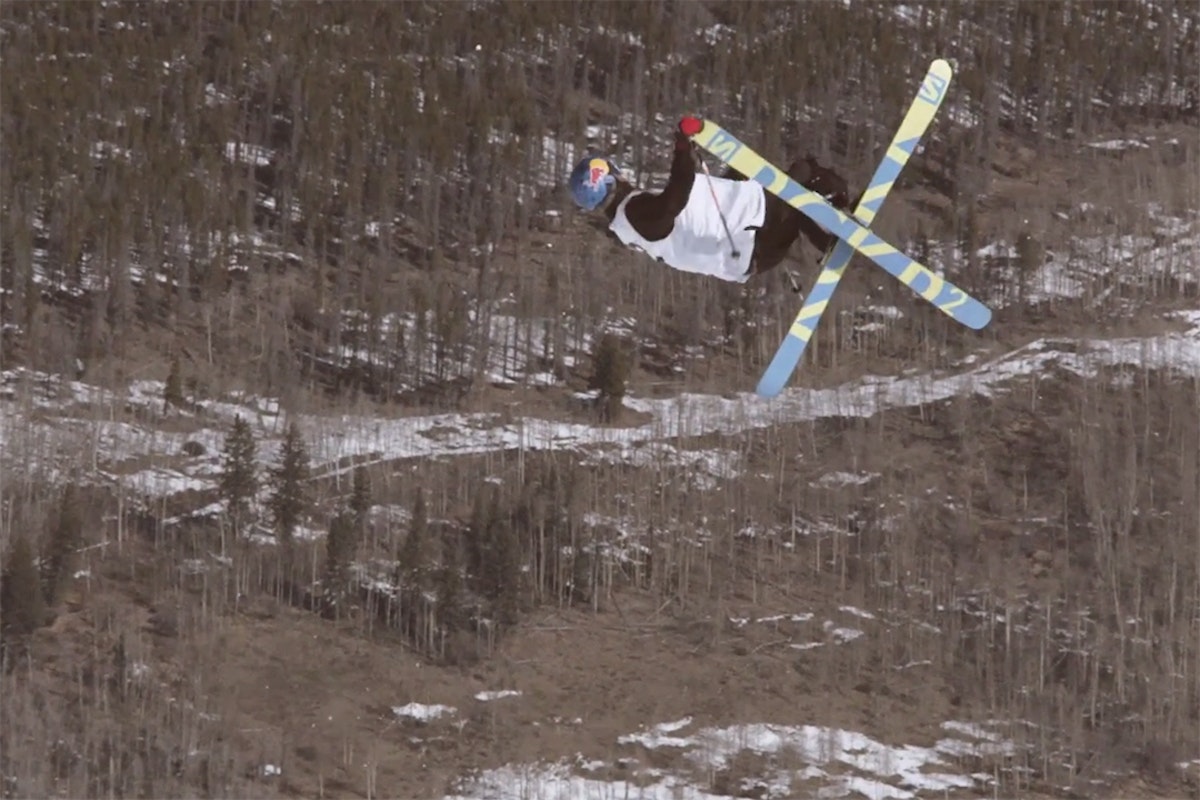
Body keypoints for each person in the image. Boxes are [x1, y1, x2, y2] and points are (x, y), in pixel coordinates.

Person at [568, 115, 856, 287]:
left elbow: (679, 212)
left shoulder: (627, 226)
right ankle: (838, 220)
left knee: (784, 194)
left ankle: (829, 235)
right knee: (803, 174)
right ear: (608, 179)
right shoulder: (635, 213)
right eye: (613, 171)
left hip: (749, 253)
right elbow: (675, 199)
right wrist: (682, 147)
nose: (620, 173)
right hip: (752, 238)